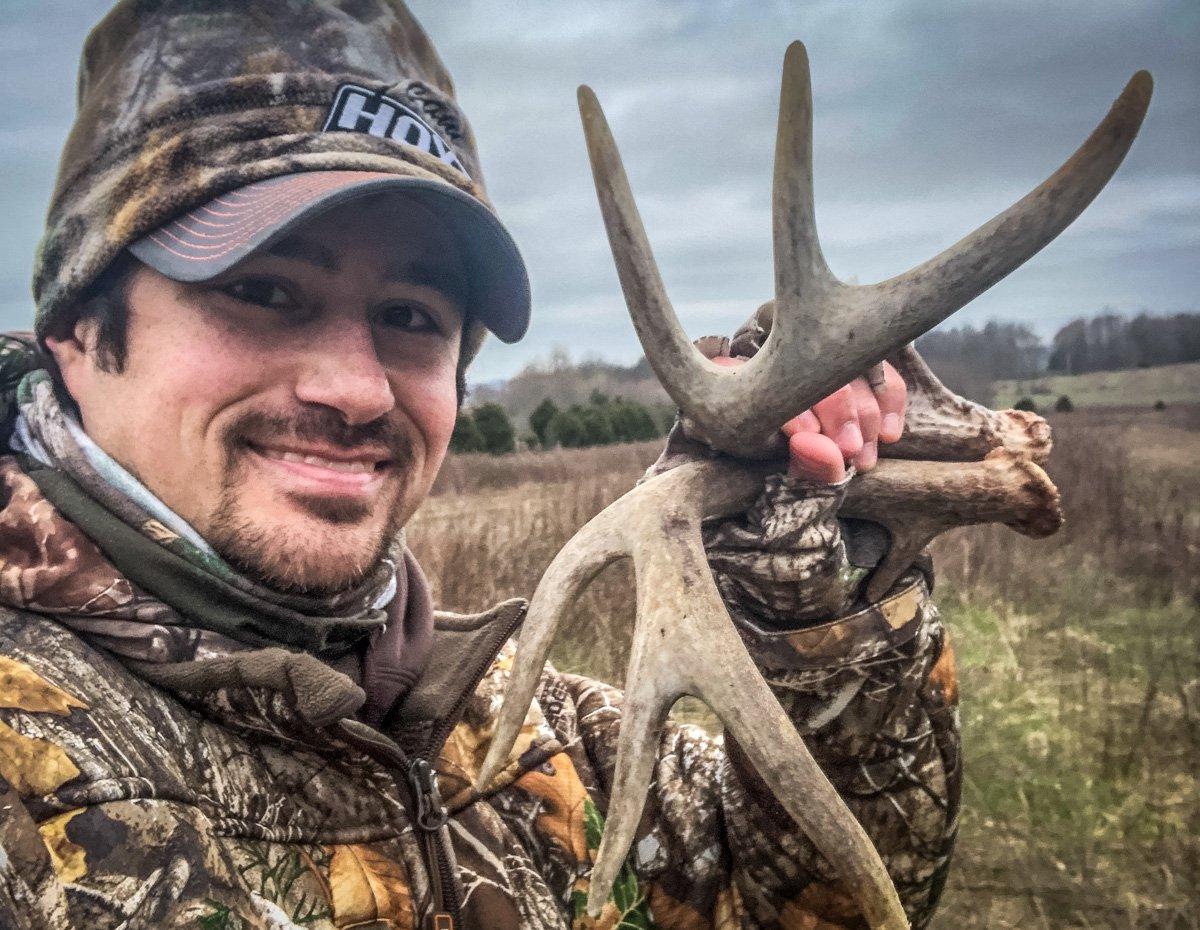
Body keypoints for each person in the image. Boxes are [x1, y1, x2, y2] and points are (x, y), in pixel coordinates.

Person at [0, 3, 958, 929]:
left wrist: (802, 560)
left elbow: (811, 905)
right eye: (263, 290)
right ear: (78, 333)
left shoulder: (524, 729)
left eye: (412, 317)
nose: (358, 390)